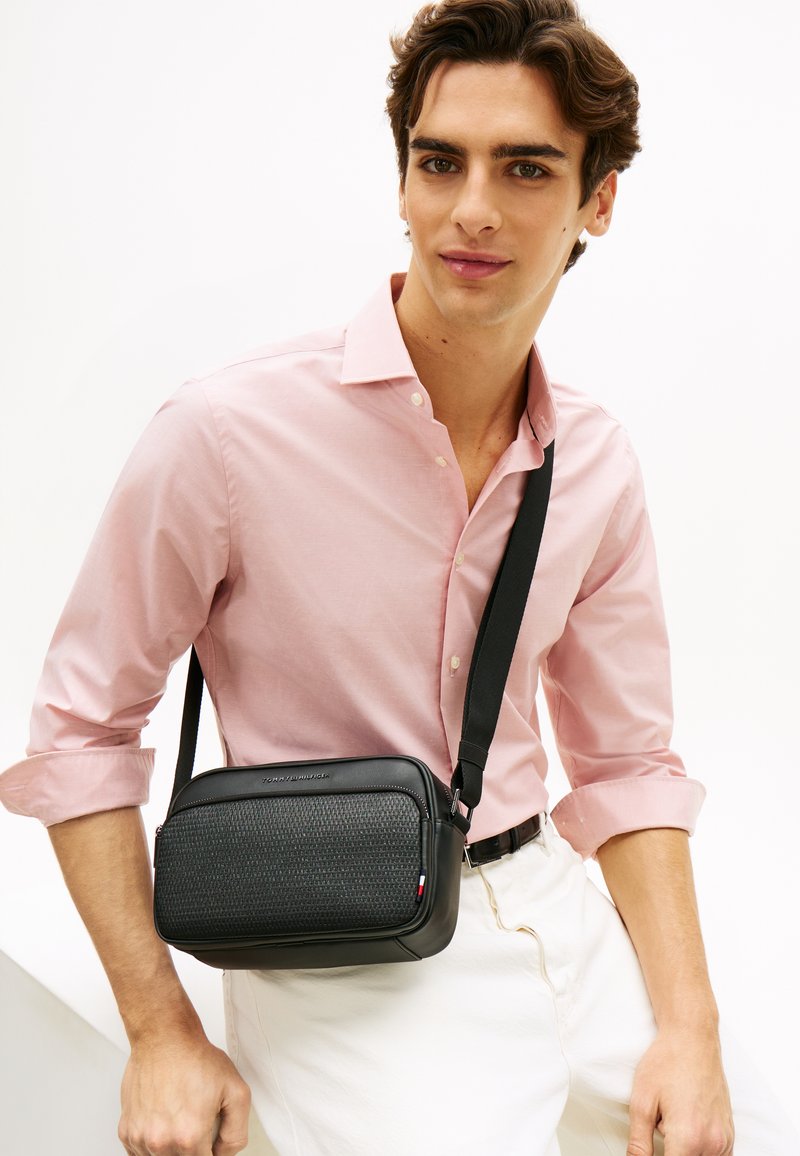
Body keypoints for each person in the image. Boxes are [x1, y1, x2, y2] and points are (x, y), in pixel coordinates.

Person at [1, 1, 796, 1153]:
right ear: (403, 183)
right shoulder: (224, 433)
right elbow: (79, 732)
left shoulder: (593, 458)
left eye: (525, 168)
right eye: (439, 162)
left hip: (550, 905)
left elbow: (626, 764)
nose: (471, 207)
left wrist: (688, 1024)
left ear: (598, 202)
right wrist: (159, 1028)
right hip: (338, 936)